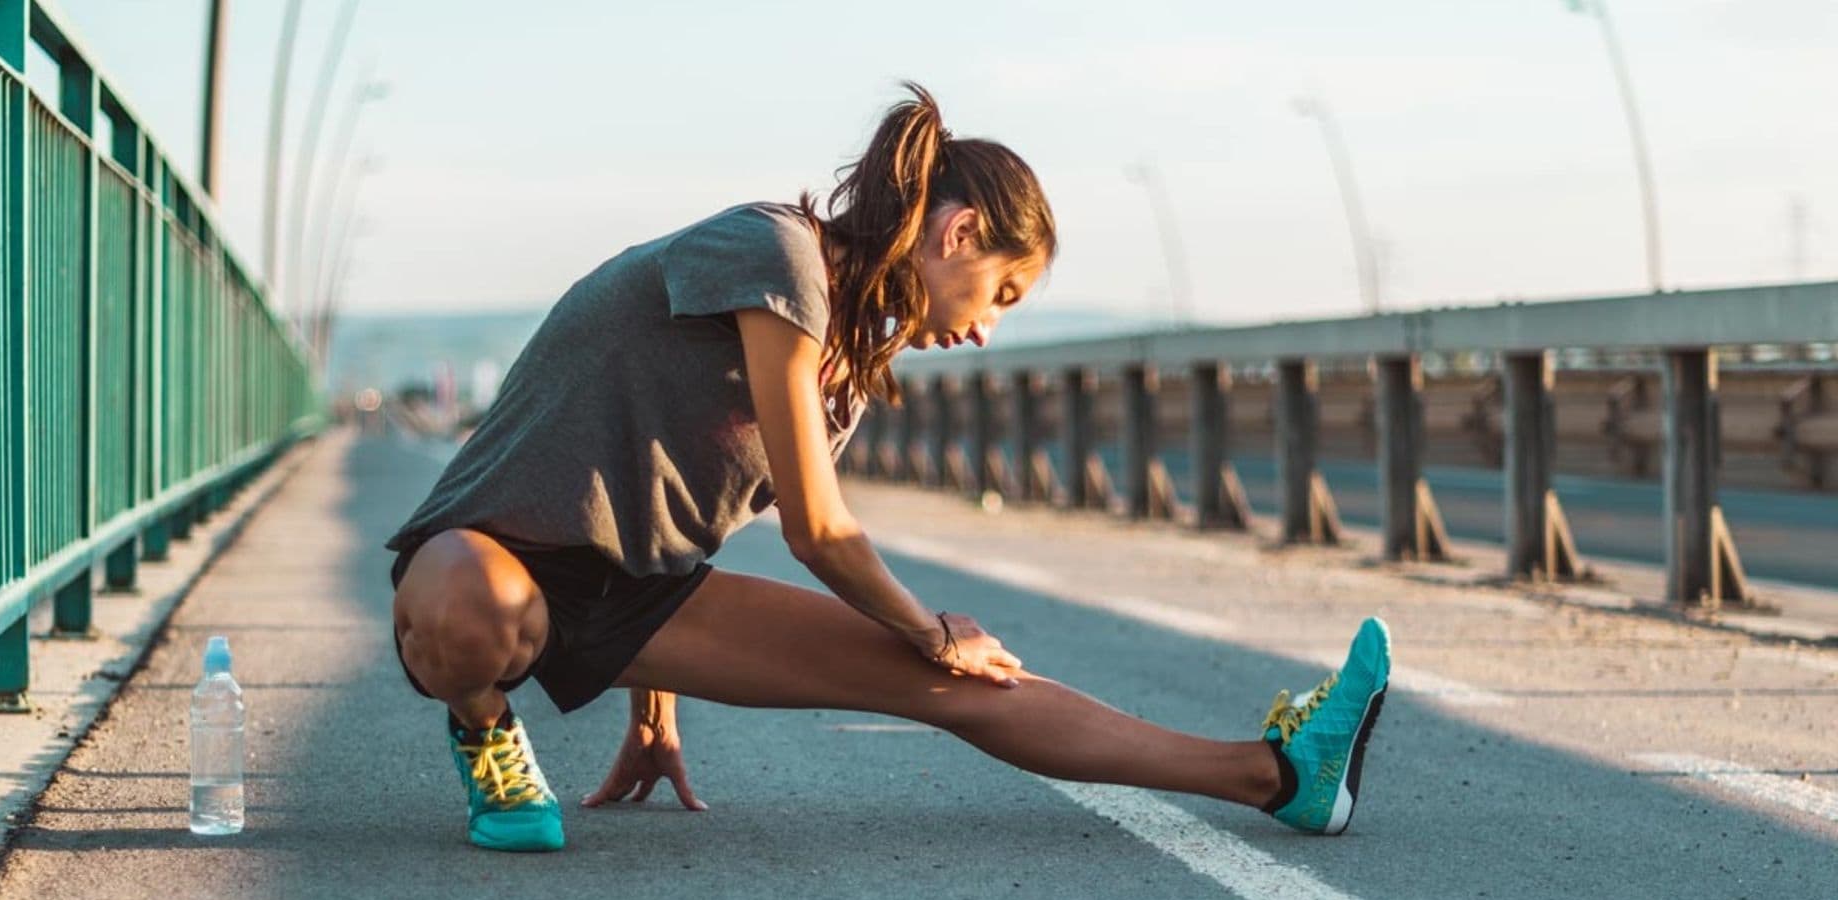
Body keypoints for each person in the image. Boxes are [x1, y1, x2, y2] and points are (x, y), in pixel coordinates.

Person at [386, 82, 1391, 853]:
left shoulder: (841, 376)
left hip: (623, 600)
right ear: (955, 235)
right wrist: (927, 627)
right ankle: (485, 734)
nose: (987, 332)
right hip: (482, 556)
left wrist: (655, 706)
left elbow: (671, 517)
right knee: (475, 606)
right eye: (999, 294)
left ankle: (1277, 775)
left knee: (956, 687)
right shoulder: (774, 257)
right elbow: (818, 533)